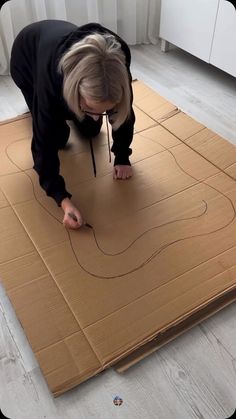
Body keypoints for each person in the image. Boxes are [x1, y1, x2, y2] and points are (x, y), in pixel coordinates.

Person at [10, 20, 135, 229]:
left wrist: (122, 156)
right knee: (57, 137)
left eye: (103, 110)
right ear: (73, 91)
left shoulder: (117, 69)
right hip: (28, 58)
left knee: (91, 131)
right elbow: (43, 146)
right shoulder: (50, 83)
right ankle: (63, 116)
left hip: (68, 57)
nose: (98, 117)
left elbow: (124, 113)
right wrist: (62, 199)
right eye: (90, 109)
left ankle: (83, 111)